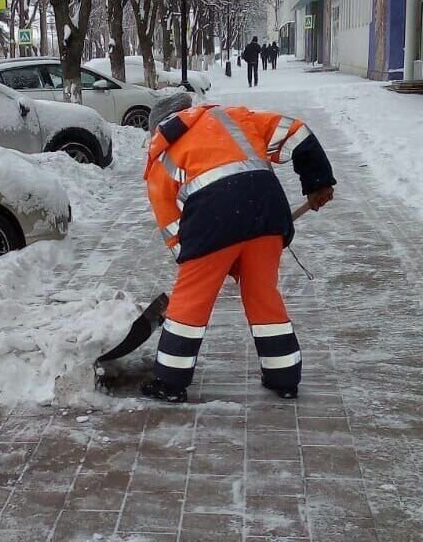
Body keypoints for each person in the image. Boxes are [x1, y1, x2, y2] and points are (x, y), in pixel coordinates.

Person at [140, 93, 337, 403]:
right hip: (267, 210)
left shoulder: (161, 152)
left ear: (158, 127)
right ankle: (283, 377)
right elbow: (298, 133)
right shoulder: (234, 116)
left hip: (212, 217)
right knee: (263, 295)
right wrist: (318, 182)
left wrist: (196, 260)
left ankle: (170, 382)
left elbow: (170, 224)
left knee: (190, 302)